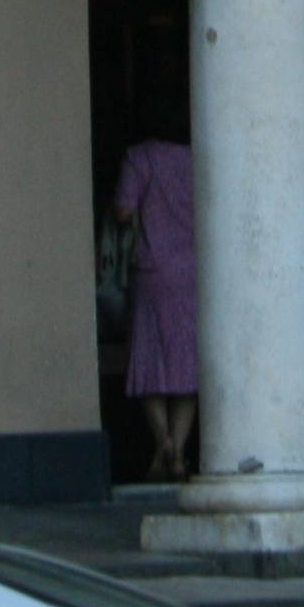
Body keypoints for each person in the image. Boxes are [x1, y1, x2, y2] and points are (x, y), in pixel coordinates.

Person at [110, 106, 197, 484]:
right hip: (194, 271)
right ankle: (178, 453)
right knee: (187, 366)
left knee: (150, 363)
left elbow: (124, 211)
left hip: (152, 271)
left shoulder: (140, 157)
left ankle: (163, 442)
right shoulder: (197, 157)